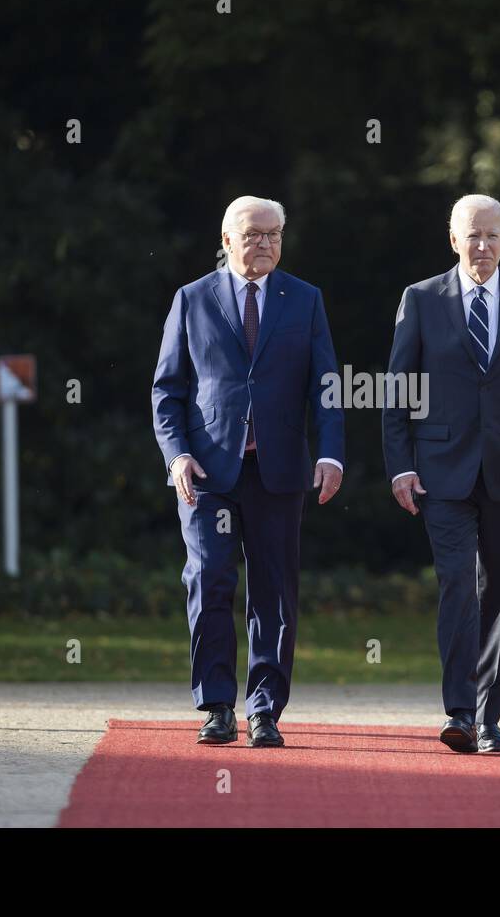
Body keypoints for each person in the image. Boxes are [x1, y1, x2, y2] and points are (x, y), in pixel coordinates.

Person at [151, 196, 344, 747]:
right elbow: (167, 390)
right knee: (210, 579)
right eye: (253, 233)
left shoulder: (304, 300)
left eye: (274, 233)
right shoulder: (192, 300)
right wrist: (176, 455)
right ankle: (216, 706)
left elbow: (326, 386)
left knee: (274, 592)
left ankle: (264, 709)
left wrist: (331, 453)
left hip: (280, 472)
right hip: (209, 473)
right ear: (227, 238)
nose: (265, 242)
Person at [382, 194, 500, 753]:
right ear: (452, 238)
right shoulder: (420, 299)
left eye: (492, 235)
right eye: (472, 235)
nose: (482, 245)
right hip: (440, 474)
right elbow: (397, 392)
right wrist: (400, 466)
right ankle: (459, 712)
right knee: (459, 584)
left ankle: (489, 717)